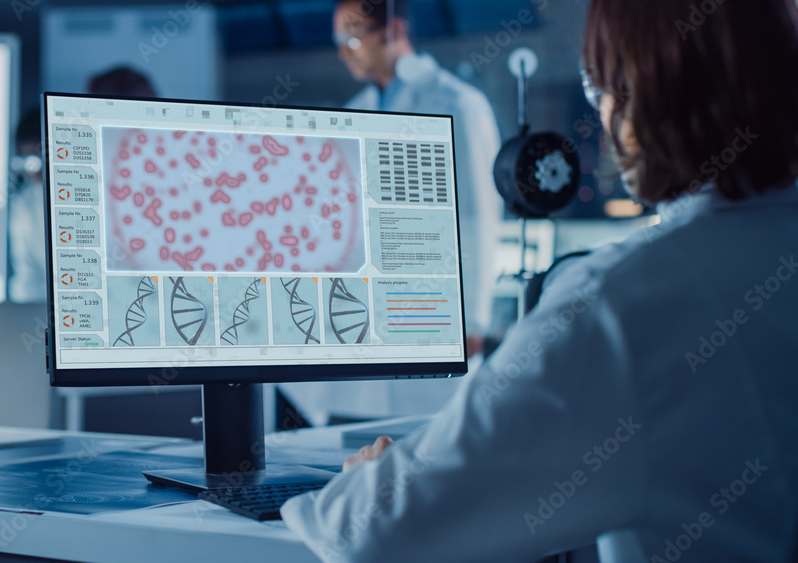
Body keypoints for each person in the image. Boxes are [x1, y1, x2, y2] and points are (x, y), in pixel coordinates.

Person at [282, 0, 798, 561]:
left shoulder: (621, 306)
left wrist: (371, 482)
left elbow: (377, 530)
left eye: (596, 85)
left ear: (636, 93)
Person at [280, 0, 502, 424]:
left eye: (353, 37)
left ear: (394, 30)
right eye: (338, 41)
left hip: (431, 314)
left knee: (426, 447)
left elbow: (478, 214)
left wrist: (473, 317)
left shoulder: (458, 103)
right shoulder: (354, 109)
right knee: (354, 446)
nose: (345, 52)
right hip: (364, 320)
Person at [8, 110, 47, 303]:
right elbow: (27, 277)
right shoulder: (23, 205)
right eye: (30, 162)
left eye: (41, 159)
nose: (38, 170)